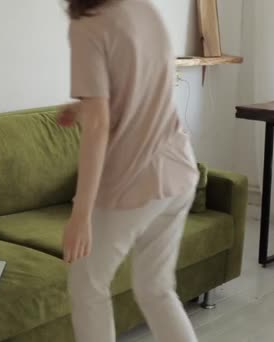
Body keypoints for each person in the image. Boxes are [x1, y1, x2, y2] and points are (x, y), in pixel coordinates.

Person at [58, 0, 200, 341]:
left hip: (132, 183)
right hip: (178, 171)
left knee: (88, 287)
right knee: (157, 290)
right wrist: (83, 108)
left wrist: (81, 215)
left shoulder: (88, 25)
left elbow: (98, 126)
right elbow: (140, 90)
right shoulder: (144, 9)